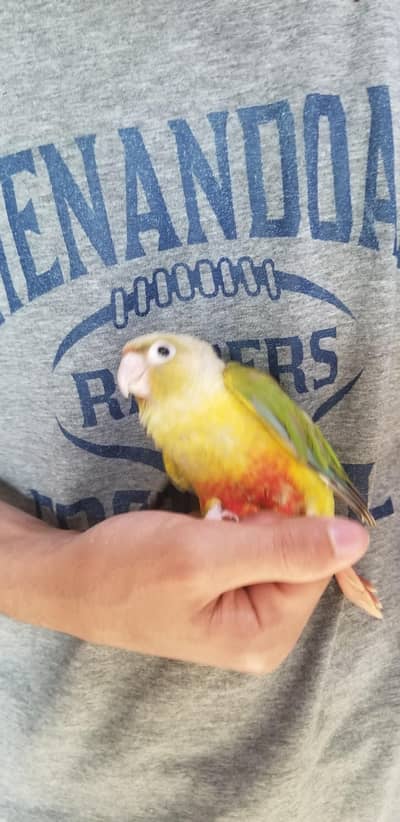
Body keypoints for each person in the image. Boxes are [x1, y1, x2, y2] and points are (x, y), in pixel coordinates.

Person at [0, 1, 398, 819]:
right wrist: (48, 575)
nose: (139, 369)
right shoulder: (174, 442)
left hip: (370, 774)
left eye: (156, 354)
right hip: (71, 786)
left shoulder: (243, 391)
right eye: (136, 361)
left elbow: (313, 464)